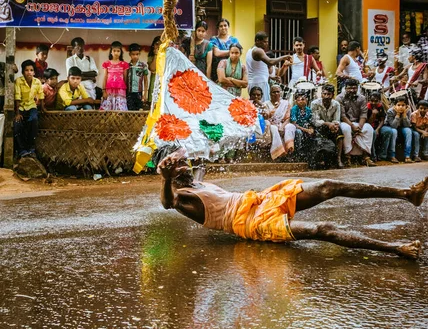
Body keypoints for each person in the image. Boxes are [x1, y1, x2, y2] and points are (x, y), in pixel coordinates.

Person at [156, 147, 427, 260]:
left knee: (327, 186)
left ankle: (407, 194)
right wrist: (166, 179)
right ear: (171, 177)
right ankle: (396, 248)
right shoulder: (182, 198)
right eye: (177, 167)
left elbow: (198, 168)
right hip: (252, 222)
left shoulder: (195, 181)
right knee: (323, 229)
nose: (184, 166)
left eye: (183, 162)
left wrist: (186, 159)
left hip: (259, 200)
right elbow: (168, 202)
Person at [337, 78, 375, 167]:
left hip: (358, 123)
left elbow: (363, 114)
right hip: (345, 122)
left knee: (368, 128)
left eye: (354, 88)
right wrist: (352, 126)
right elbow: (342, 116)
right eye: (349, 88)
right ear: (345, 88)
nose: (352, 90)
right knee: (346, 129)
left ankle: (366, 157)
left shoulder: (362, 98)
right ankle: (347, 157)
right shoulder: (339, 98)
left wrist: (359, 127)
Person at [246, 32, 292, 101]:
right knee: (263, 105)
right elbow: (270, 62)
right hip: (260, 82)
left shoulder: (250, 50)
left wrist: (270, 77)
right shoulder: (258, 50)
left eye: (267, 42)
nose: (266, 44)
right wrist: (284, 57)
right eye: (264, 42)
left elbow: (257, 70)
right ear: (257, 41)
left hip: (254, 82)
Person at [14, 60, 44, 158]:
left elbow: (41, 95)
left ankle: (31, 148)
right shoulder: (18, 81)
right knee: (18, 125)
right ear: (23, 72)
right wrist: (17, 113)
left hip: (31, 106)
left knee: (34, 120)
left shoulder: (37, 82)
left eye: (31, 70)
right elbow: (17, 97)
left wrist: (43, 108)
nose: (29, 72)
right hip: (21, 108)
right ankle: (21, 150)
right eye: (26, 70)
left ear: (34, 72)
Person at [311, 84, 344, 168]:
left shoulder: (336, 104)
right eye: (324, 94)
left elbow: (337, 119)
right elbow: (315, 121)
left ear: (333, 95)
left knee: (339, 133)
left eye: (328, 94)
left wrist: (334, 125)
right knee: (319, 133)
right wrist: (327, 124)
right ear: (321, 94)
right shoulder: (315, 103)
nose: (326, 96)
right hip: (320, 126)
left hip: (332, 126)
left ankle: (338, 158)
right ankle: (320, 159)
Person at [382, 94, 418, 163]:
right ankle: (392, 155)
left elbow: (407, 125)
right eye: (398, 105)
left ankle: (407, 156)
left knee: (408, 131)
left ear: (406, 106)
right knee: (394, 131)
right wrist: (398, 114)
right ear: (394, 106)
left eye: (403, 105)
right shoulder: (390, 111)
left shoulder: (407, 111)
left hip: (402, 127)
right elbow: (393, 126)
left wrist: (404, 115)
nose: (401, 107)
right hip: (390, 127)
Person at [100, 41, 129, 111]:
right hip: (109, 90)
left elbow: (125, 79)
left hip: (120, 90)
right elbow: (105, 78)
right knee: (108, 109)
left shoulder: (124, 64)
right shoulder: (106, 64)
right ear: (111, 52)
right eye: (114, 51)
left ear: (121, 52)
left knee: (120, 109)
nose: (116, 53)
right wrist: (104, 91)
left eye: (118, 51)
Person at [209, 18, 239, 83]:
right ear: (218, 28)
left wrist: (231, 53)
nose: (223, 28)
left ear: (228, 27)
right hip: (217, 70)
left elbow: (238, 53)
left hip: (232, 69)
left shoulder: (234, 40)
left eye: (225, 25)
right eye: (221, 26)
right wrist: (232, 52)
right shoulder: (214, 39)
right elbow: (217, 53)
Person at [290, 92, 315, 160]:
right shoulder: (294, 109)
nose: (301, 101)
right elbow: (294, 124)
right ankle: (298, 153)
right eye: (298, 100)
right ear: (296, 101)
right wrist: (306, 130)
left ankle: (311, 155)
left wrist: (311, 129)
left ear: (306, 100)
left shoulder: (308, 110)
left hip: (306, 127)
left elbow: (310, 122)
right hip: (297, 128)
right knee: (299, 132)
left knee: (314, 133)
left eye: (303, 99)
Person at [126, 43, 148, 111]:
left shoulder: (143, 66)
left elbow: (146, 80)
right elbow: (125, 79)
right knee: (130, 111)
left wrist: (145, 93)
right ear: (129, 54)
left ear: (139, 54)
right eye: (133, 54)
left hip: (139, 92)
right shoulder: (127, 66)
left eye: (137, 54)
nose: (135, 56)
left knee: (139, 110)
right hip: (129, 92)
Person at [366, 91, 386, 162]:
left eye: (376, 101)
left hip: (378, 126)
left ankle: (382, 155)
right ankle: (373, 155)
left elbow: (382, 120)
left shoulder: (380, 106)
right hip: (369, 126)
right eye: (372, 101)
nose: (373, 103)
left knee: (388, 132)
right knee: (373, 134)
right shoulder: (367, 107)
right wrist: (373, 115)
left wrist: (378, 129)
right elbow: (367, 122)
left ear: (379, 101)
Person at [147, 36, 161, 104]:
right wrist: (156, 55)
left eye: (161, 44)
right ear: (153, 45)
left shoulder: (167, 56)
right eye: (157, 44)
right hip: (154, 83)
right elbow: (152, 68)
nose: (159, 46)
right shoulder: (151, 56)